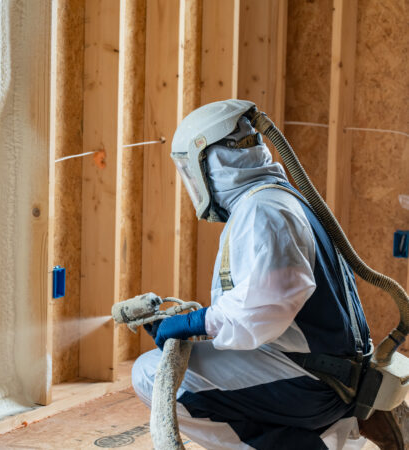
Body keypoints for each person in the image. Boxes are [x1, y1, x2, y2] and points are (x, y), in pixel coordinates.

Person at [131, 100, 402, 449]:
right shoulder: (279, 199)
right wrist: (199, 325)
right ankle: (321, 437)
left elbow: (265, 311)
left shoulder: (263, 210)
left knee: (150, 374)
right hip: (328, 375)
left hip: (312, 384)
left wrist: (194, 324)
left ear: (209, 162)